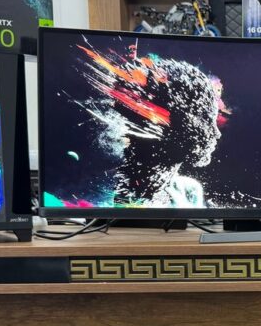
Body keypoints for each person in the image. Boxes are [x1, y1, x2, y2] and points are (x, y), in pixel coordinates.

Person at [69, 44, 223, 208]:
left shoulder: (187, 191)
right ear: (159, 118)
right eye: (206, 117)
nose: (217, 133)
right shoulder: (100, 197)